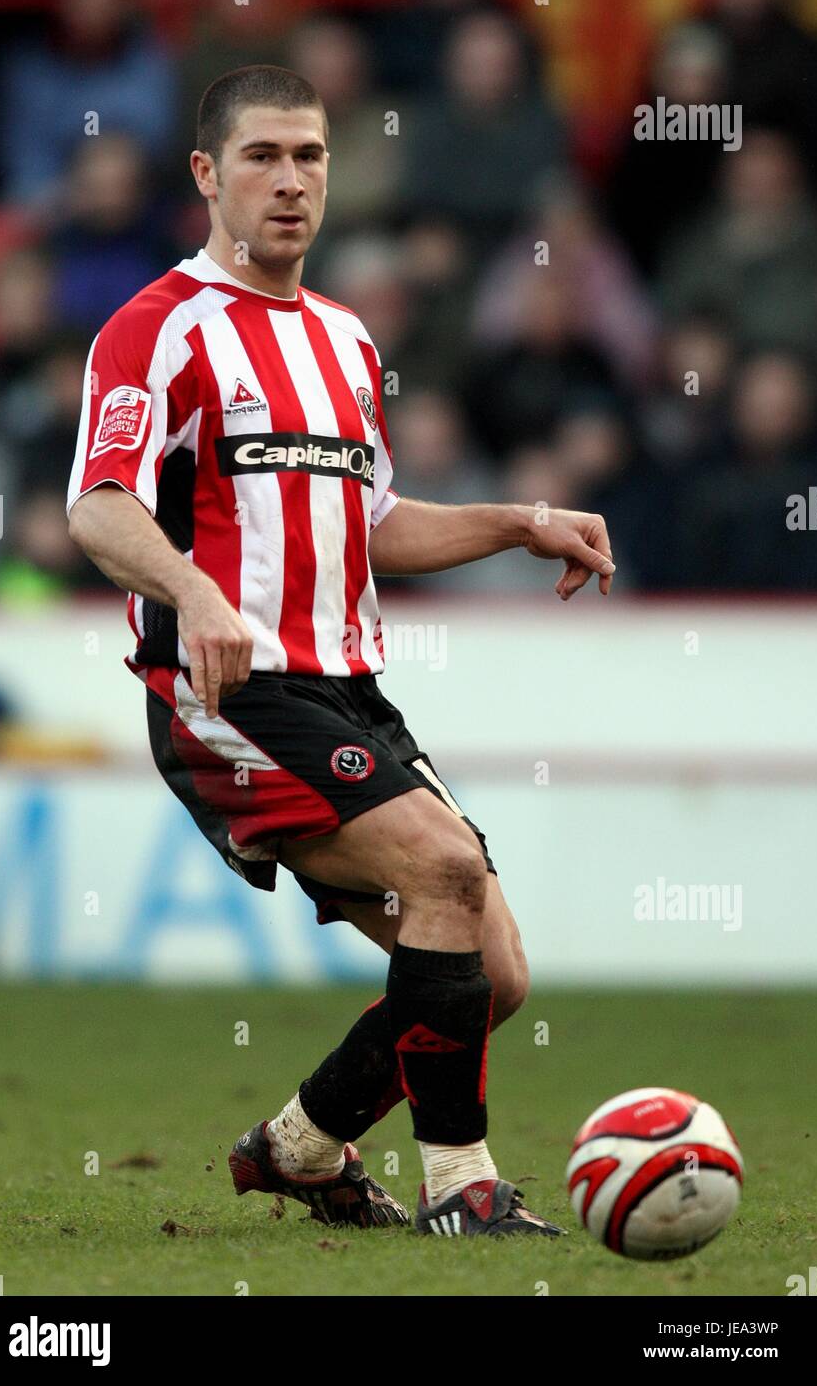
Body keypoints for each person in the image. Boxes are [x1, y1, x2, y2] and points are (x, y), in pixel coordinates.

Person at [66, 65, 615, 1237]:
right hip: (227, 692)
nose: (290, 181)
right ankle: (460, 1182)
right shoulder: (156, 330)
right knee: (446, 872)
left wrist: (517, 521)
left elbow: (370, 522)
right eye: (261, 156)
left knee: (492, 976)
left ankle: (301, 1146)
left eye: (309, 157)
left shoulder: (346, 340)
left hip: (350, 690)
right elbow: (99, 505)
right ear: (207, 174)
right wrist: (196, 588)